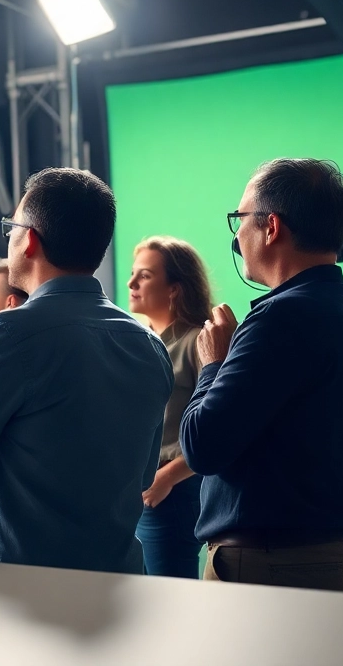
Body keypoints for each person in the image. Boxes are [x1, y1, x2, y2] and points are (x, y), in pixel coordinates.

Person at [0, 168, 172, 573]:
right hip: (114, 579)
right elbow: (140, 476)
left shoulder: (10, 333)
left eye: (11, 228)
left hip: (20, 586)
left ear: (29, 239)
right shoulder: (149, 345)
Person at [181, 159, 343, 594]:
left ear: (271, 227)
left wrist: (213, 364)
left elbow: (202, 446)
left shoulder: (279, 321)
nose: (237, 235)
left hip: (272, 572)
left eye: (240, 219)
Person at [127, 237, 212, 578]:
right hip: (139, 495)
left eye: (144, 276)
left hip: (172, 494)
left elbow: (216, 432)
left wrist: (166, 478)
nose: (132, 284)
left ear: (175, 288)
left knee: (171, 601)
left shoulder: (199, 342)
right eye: (133, 274)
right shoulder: (138, 341)